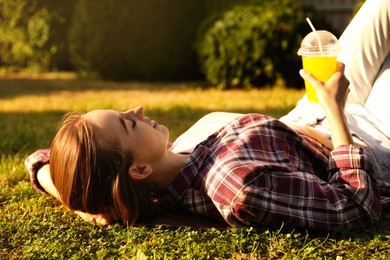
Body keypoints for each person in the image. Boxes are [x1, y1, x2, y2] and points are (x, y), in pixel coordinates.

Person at [25, 0, 390, 232]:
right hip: (369, 139)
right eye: (128, 122)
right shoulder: (234, 186)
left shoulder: (174, 158)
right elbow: (354, 209)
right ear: (138, 171)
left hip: (314, 110)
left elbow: (46, 160)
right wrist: (336, 114)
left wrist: (85, 202)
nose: (137, 110)